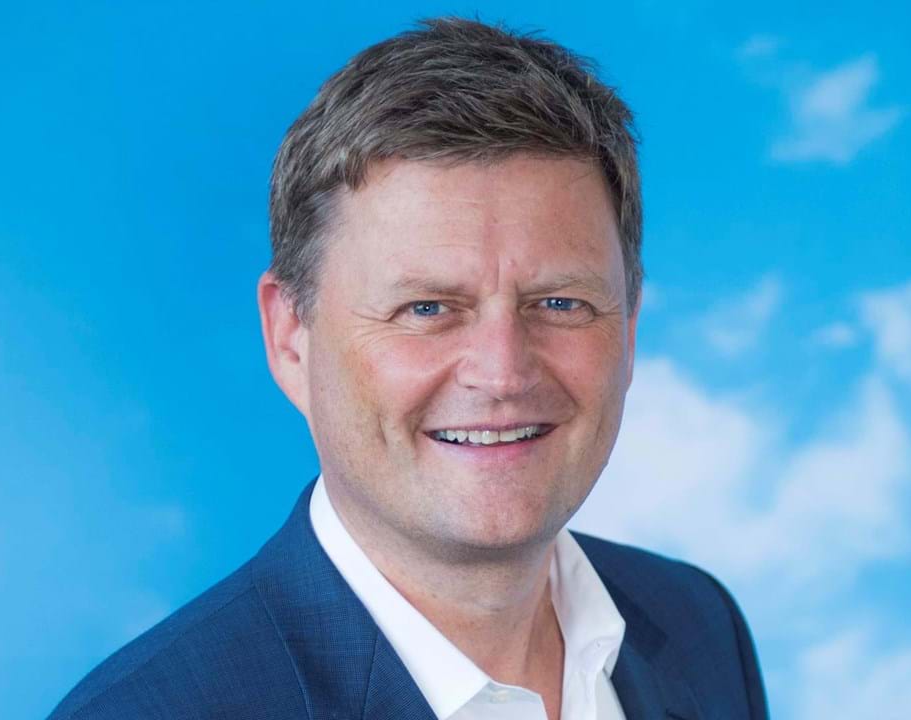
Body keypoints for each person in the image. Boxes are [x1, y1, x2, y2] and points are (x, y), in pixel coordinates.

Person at [48, 17, 767, 720]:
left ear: (630, 326)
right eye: (426, 308)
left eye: (559, 302)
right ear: (291, 338)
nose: (502, 373)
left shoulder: (700, 627)